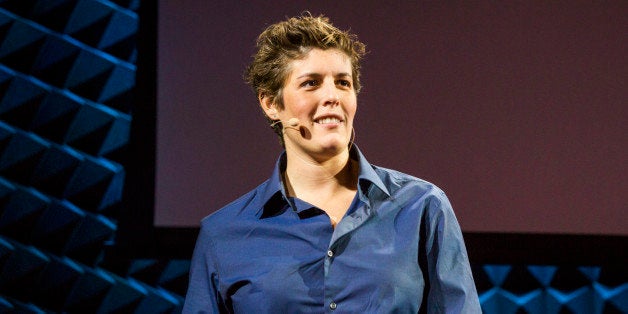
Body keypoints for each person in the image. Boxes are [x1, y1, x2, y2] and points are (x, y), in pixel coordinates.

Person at [183, 13, 481, 313]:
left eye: (342, 83)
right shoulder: (223, 234)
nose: (332, 96)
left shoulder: (422, 207)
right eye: (311, 83)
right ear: (271, 104)